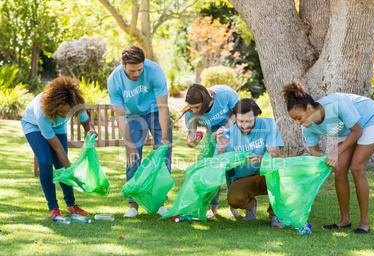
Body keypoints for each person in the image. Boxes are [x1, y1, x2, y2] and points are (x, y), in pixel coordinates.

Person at [282, 81, 374, 234]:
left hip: (371, 119)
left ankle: (364, 222)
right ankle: (345, 220)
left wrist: (335, 152)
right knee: (339, 168)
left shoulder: (336, 103)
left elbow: (357, 131)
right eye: (295, 120)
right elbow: (316, 155)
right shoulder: (308, 127)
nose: (298, 123)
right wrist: (318, 167)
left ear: (309, 108)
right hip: (348, 129)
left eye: (299, 117)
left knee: (357, 167)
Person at [107, 45, 172, 218]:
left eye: (140, 70)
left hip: (156, 111)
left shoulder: (154, 71)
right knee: (132, 158)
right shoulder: (114, 80)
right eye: (132, 71)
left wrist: (164, 137)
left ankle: (160, 204)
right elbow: (120, 115)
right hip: (133, 116)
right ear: (123, 64)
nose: (136, 74)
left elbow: (163, 108)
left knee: (163, 156)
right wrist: (129, 145)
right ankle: (133, 206)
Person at [21, 76, 97, 219]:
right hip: (34, 126)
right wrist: (72, 172)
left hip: (57, 127)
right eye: (61, 111)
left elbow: (87, 124)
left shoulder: (75, 106)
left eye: (68, 112)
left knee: (61, 164)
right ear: (54, 106)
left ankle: (71, 205)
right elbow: (59, 149)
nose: (65, 114)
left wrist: (91, 130)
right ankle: (54, 208)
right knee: (45, 161)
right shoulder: (43, 114)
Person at [215, 98, 286, 228]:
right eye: (240, 121)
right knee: (234, 199)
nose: (245, 125)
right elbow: (219, 167)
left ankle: (276, 214)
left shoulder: (268, 124)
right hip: (243, 178)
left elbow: (275, 155)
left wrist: (260, 158)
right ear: (235, 117)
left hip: (267, 175)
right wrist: (221, 148)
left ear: (256, 117)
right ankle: (251, 205)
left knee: (280, 172)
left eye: (249, 121)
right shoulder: (227, 134)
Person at [176, 83, 239, 218]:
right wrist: (191, 142)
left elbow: (238, 112)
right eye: (191, 107)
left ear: (206, 101)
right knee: (213, 169)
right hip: (213, 132)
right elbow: (191, 138)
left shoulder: (225, 93)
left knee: (231, 168)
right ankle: (213, 208)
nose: (194, 111)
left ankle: (233, 207)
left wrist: (226, 127)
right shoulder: (190, 114)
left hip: (232, 126)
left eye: (197, 108)